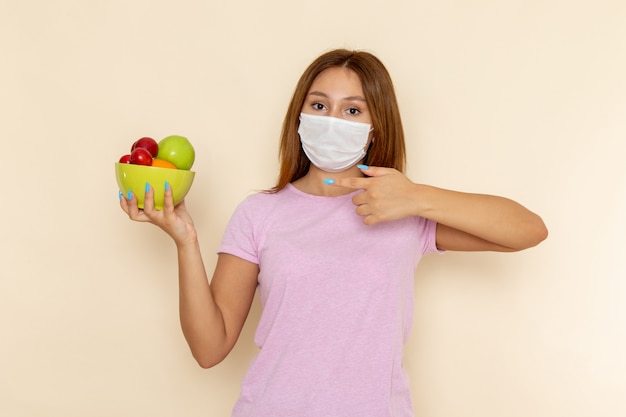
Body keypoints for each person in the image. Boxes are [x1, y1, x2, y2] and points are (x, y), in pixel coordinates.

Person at [119, 48, 548, 417]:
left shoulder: (402, 211)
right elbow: (209, 350)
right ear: (300, 116)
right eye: (319, 106)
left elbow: (527, 230)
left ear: (374, 125)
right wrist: (185, 240)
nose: (332, 120)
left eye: (353, 110)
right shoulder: (260, 213)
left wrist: (415, 196)